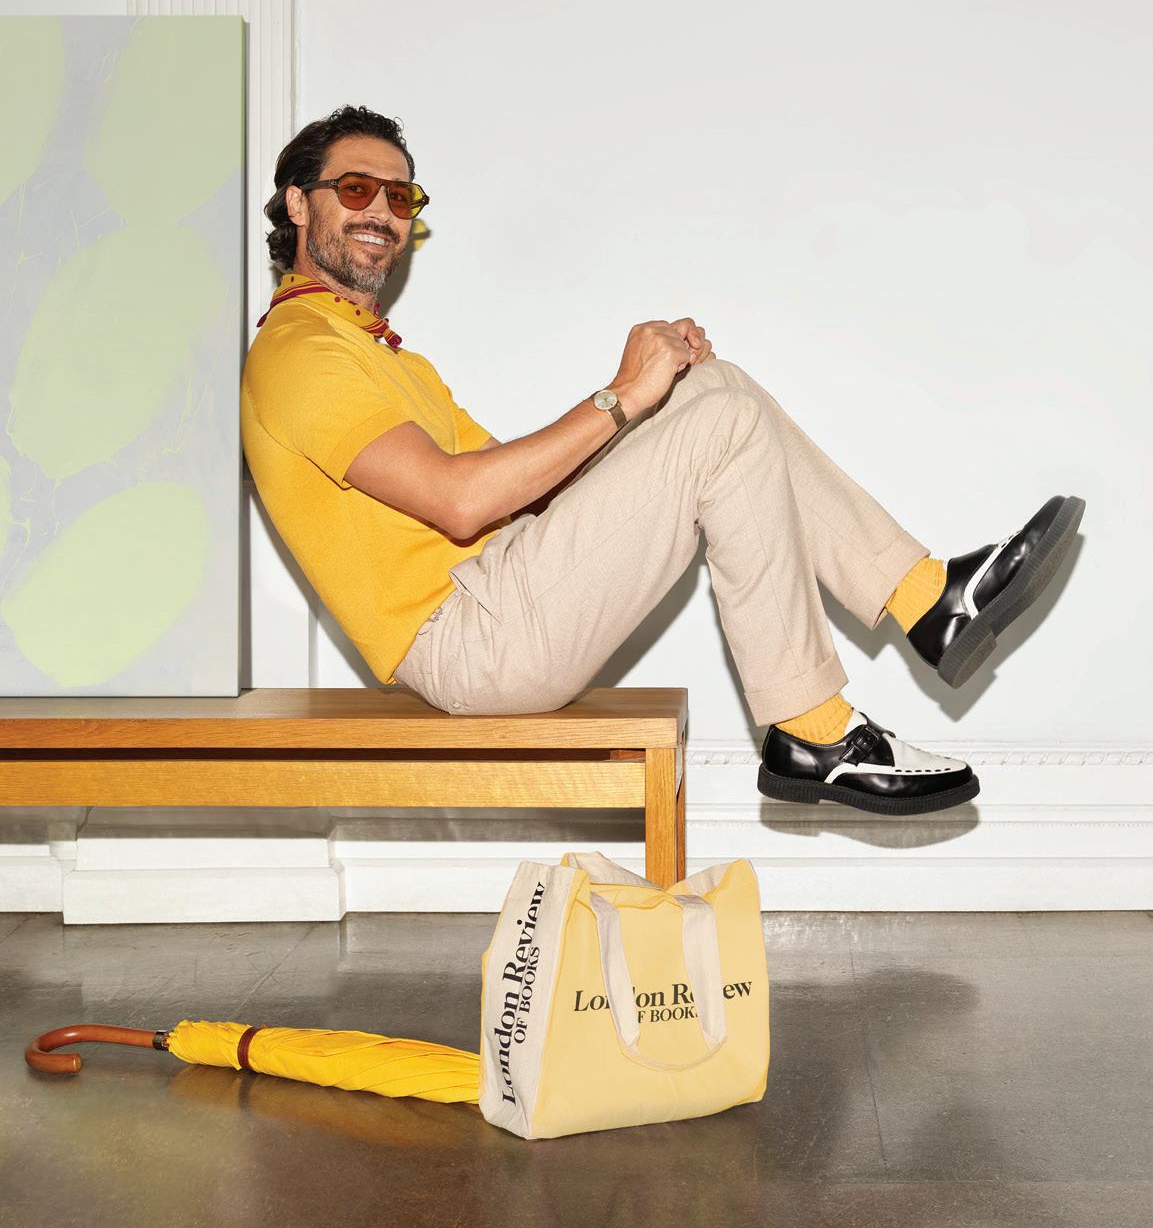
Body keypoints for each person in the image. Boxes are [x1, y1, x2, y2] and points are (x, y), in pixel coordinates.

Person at [241, 105, 1085, 818]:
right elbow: (460, 504)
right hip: (469, 640)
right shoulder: (302, 353)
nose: (382, 211)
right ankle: (812, 724)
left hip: (503, 590)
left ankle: (926, 599)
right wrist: (620, 396)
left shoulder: (380, 354)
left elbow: (522, 493)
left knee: (714, 388)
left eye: (399, 195)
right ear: (299, 203)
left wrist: (654, 397)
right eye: (357, 189)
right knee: (717, 421)